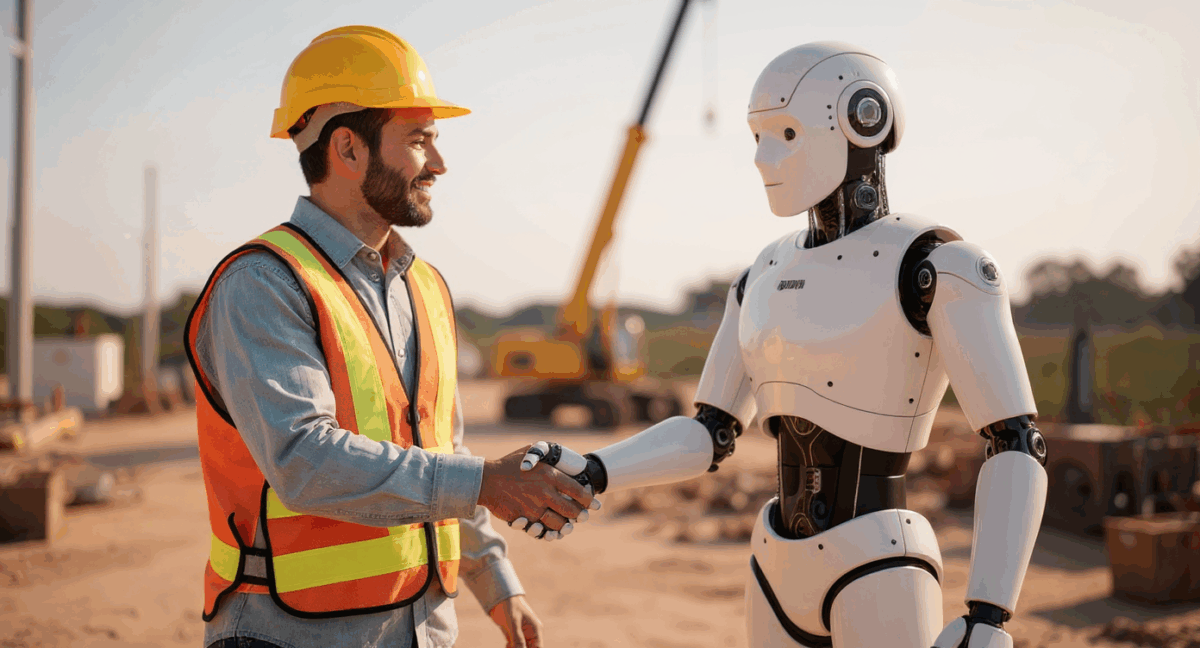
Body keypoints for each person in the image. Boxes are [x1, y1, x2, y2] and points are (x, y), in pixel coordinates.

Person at [521, 42, 1049, 648]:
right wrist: (594, 470)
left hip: (879, 561)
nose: (763, 158)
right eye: (758, 137)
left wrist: (990, 616)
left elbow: (1015, 441)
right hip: (774, 559)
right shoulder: (761, 274)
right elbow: (709, 433)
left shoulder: (937, 266)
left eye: (788, 132)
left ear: (863, 118)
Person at [185, 25, 594, 648]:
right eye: (419, 140)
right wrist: (488, 481)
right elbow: (304, 460)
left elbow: (442, 449)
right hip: (284, 633)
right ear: (348, 149)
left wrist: (497, 582)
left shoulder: (424, 287)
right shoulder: (264, 283)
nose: (439, 162)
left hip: (421, 628)